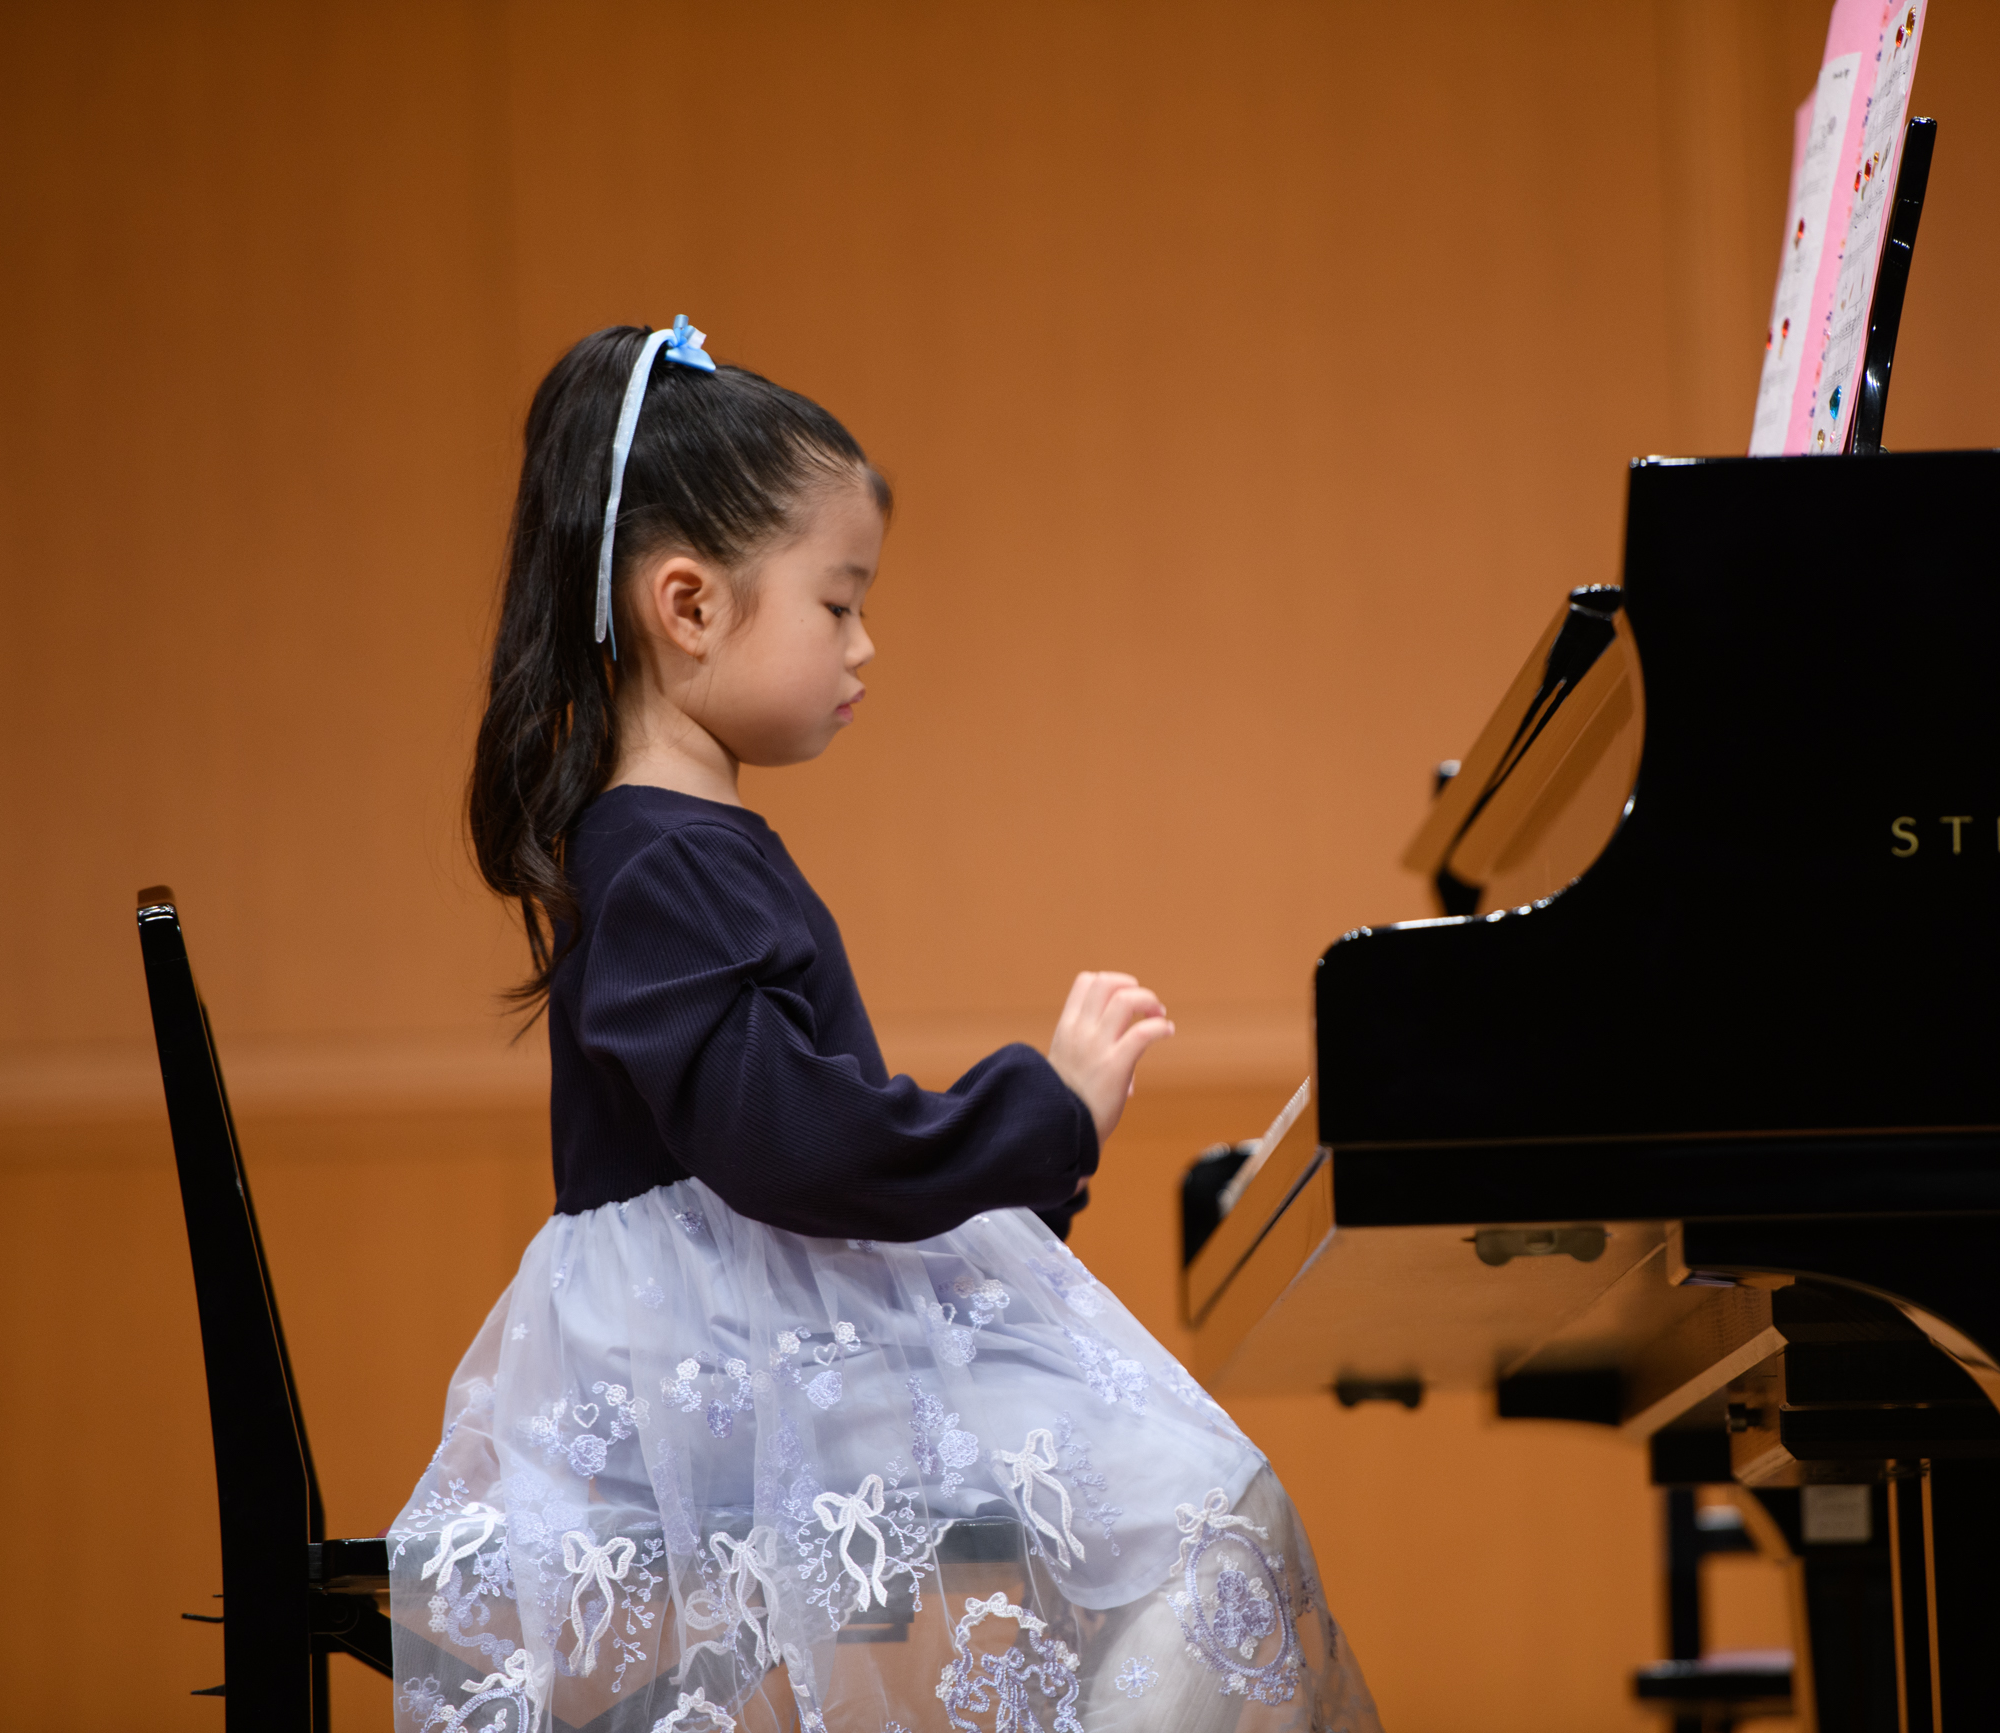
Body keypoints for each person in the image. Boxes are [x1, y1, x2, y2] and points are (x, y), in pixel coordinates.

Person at [387, 319, 1380, 1733]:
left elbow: (801, 1145)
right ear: (689, 607)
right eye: (838, 602)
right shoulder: (664, 859)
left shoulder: (673, 846)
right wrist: (1041, 1112)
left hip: (752, 1340)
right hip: (721, 1372)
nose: (865, 646)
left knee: (1200, 1500)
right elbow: (794, 1148)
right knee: (1209, 1503)